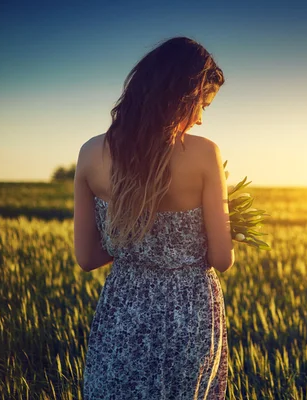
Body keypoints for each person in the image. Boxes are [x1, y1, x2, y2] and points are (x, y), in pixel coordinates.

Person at [73, 36, 234, 399]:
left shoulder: (90, 153)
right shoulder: (205, 154)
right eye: (202, 105)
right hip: (189, 311)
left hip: (124, 307)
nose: (200, 118)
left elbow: (87, 257)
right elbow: (222, 260)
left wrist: (137, 243)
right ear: (185, 97)